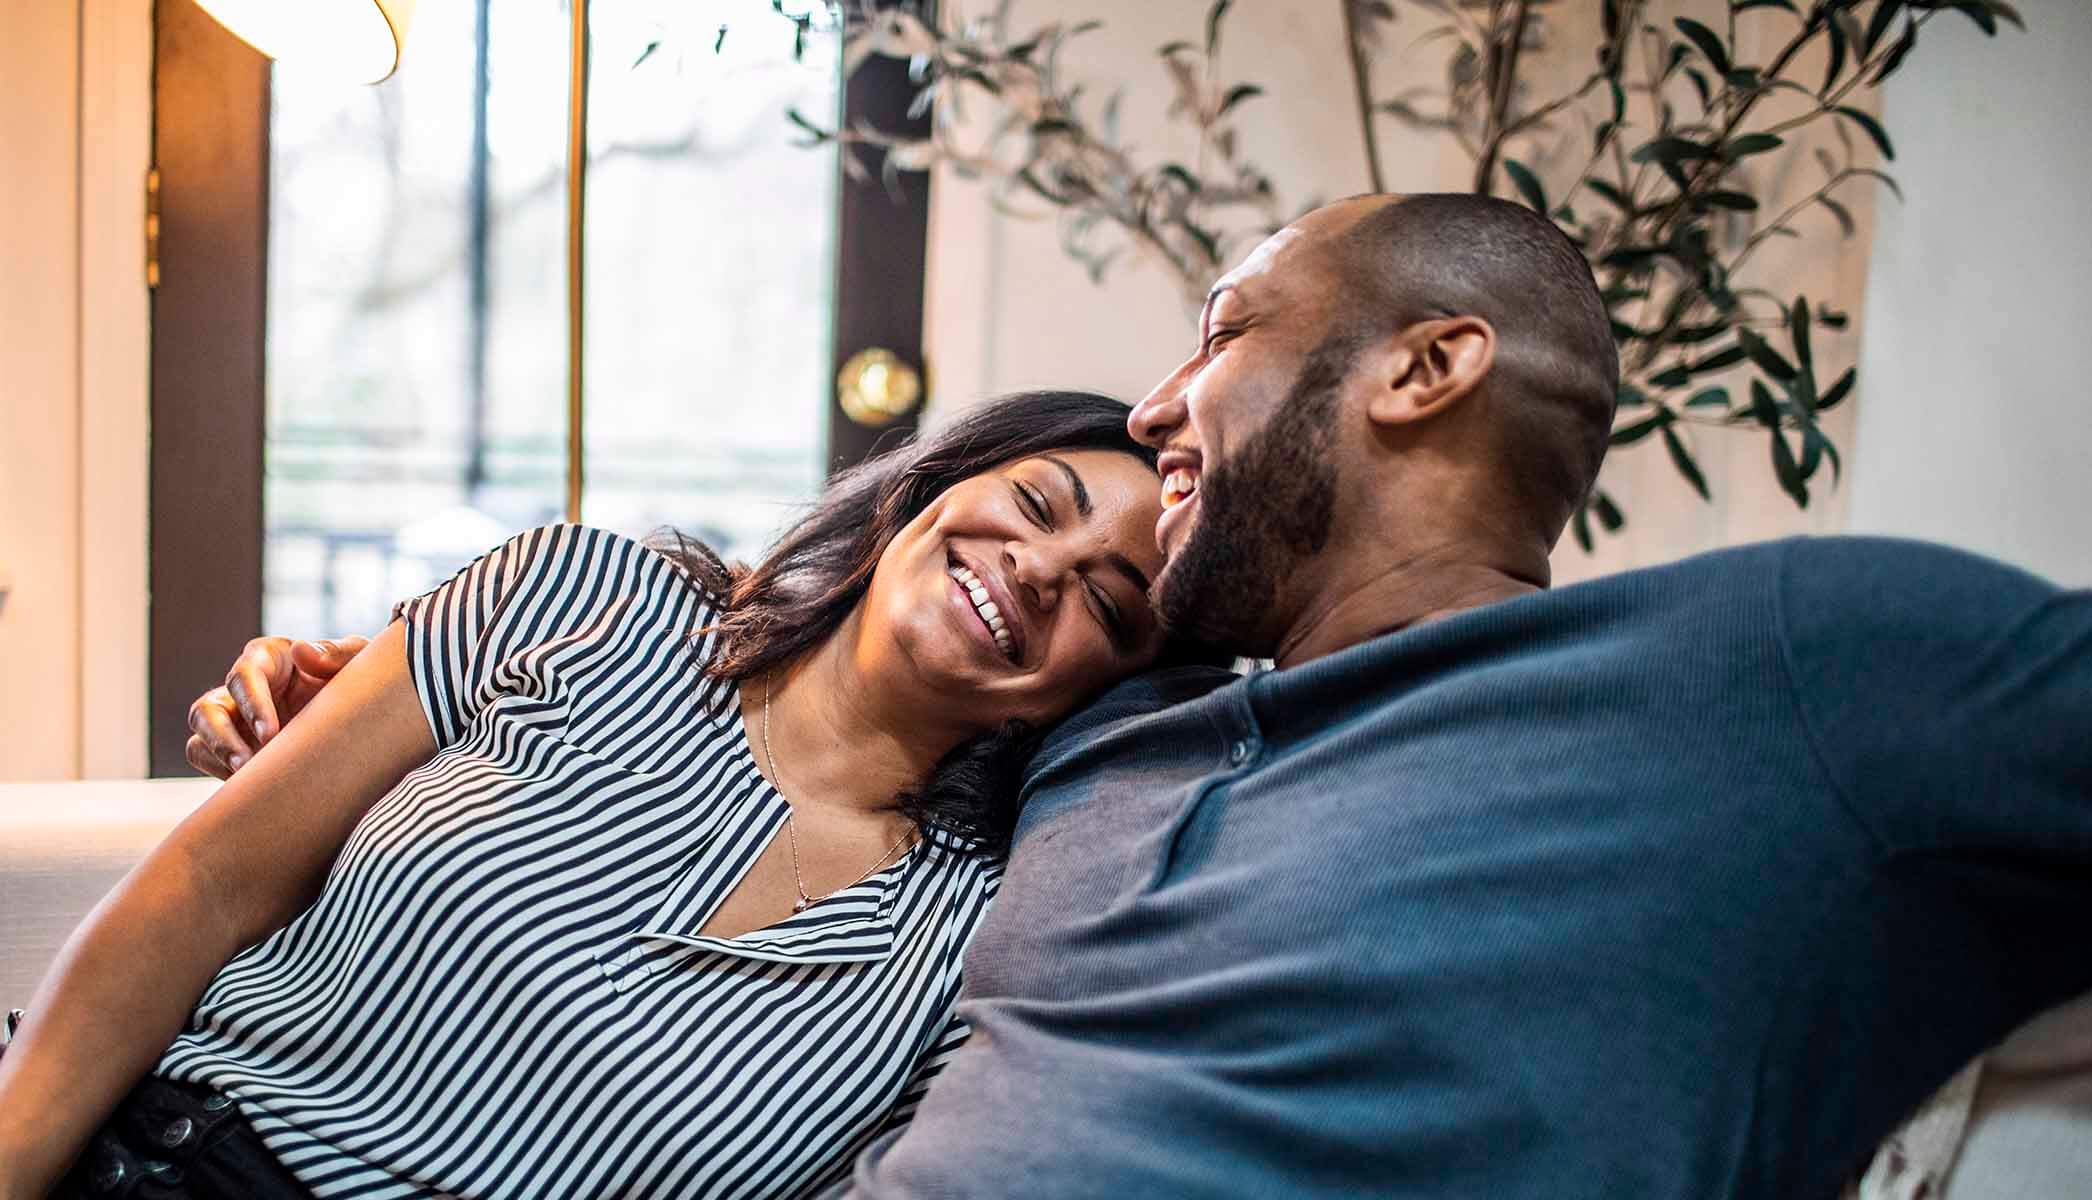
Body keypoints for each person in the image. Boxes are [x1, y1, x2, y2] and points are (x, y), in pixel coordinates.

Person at [195, 193, 2092, 1200]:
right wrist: (365, 701)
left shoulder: (1784, 678)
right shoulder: (1105, 730)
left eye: (1220, 334)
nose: (1162, 407)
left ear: (1425, 368)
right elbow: (786, 691)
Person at [0, 391, 1205, 1200]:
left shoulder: (981, 928)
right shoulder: (588, 591)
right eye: (1036, 504)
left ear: (1101, 687)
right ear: (929, 493)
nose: (1041, 570)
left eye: (1114, 601)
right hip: (90, 1126)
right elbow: (198, 889)